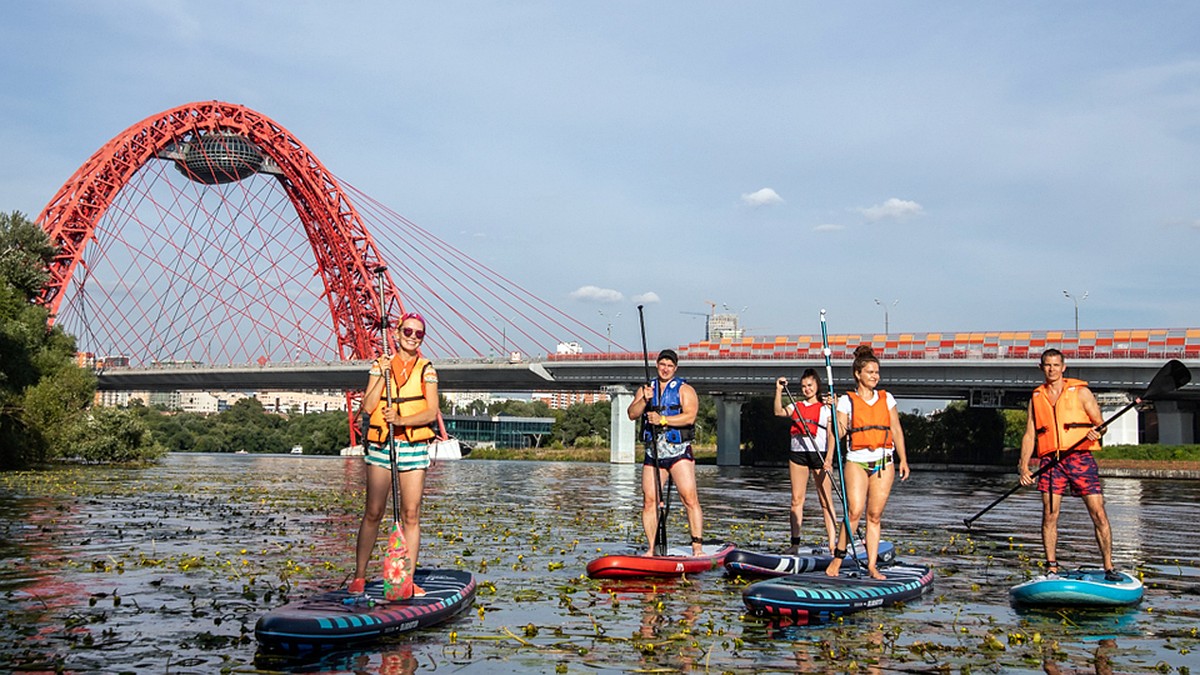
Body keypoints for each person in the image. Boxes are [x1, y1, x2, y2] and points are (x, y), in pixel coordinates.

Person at [349, 312, 439, 597]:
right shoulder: (380, 365)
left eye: (419, 334)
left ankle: (406, 580)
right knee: (373, 511)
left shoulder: (427, 369)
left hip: (412, 445)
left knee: (411, 514)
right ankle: (359, 576)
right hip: (382, 444)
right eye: (408, 331)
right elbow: (368, 405)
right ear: (397, 333)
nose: (413, 337)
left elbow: (430, 411)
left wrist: (401, 420)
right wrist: (383, 374)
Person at [1017, 348, 1115, 579]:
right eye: (1047, 365)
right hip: (1051, 462)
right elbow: (1030, 435)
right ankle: (1052, 567)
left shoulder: (1081, 392)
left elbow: (1101, 424)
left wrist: (1096, 432)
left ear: (1064, 367)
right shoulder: (1036, 397)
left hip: (1079, 458)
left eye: (1055, 365)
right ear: (1041, 368)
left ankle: (1109, 567)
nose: (1051, 369)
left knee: (1098, 513)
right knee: (1050, 515)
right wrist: (1023, 466)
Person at [826, 345, 910, 580]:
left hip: (884, 460)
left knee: (874, 516)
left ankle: (872, 565)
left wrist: (903, 459)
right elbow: (840, 432)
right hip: (857, 461)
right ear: (858, 374)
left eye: (877, 372)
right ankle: (838, 558)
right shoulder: (846, 401)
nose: (875, 376)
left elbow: (896, 429)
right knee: (854, 511)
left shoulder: (887, 398)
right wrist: (833, 414)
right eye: (870, 372)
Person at [627, 349, 705, 556]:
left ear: (675, 368)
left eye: (670, 366)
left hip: (678, 452)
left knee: (689, 498)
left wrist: (663, 420)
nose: (665, 369)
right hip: (654, 454)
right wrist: (644, 400)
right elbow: (632, 414)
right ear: (657, 365)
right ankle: (651, 549)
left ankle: (697, 547)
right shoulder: (646, 389)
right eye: (662, 364)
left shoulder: (685, 390)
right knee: (649, 500)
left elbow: (689, 417)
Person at [773, 370, 838, 554]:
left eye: (810, 385)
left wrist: (829, 458)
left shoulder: (826, 408)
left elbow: (832, 434)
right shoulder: (796, 406)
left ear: (817, 386)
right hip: (798, 455)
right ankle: (795, 544)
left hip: (820, 455)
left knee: (825, 501)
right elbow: (778, 411)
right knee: (796, 500)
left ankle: (833, 544)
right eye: (803, 386)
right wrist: (778, 390)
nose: (807, 389)